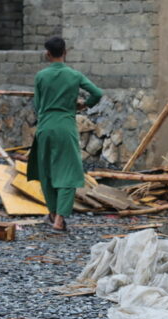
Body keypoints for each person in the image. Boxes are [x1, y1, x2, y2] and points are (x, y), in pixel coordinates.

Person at [27, 37, 103, 232]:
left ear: (47, 53)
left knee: (47, 173)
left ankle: (52, 213)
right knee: (67, 172)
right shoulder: (74, 75)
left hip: (45, 127)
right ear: (65, 52)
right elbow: (97, 93)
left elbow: (37, 105)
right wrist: (84, 104)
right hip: (65, 126)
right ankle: (59, 219)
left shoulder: (41, 76)